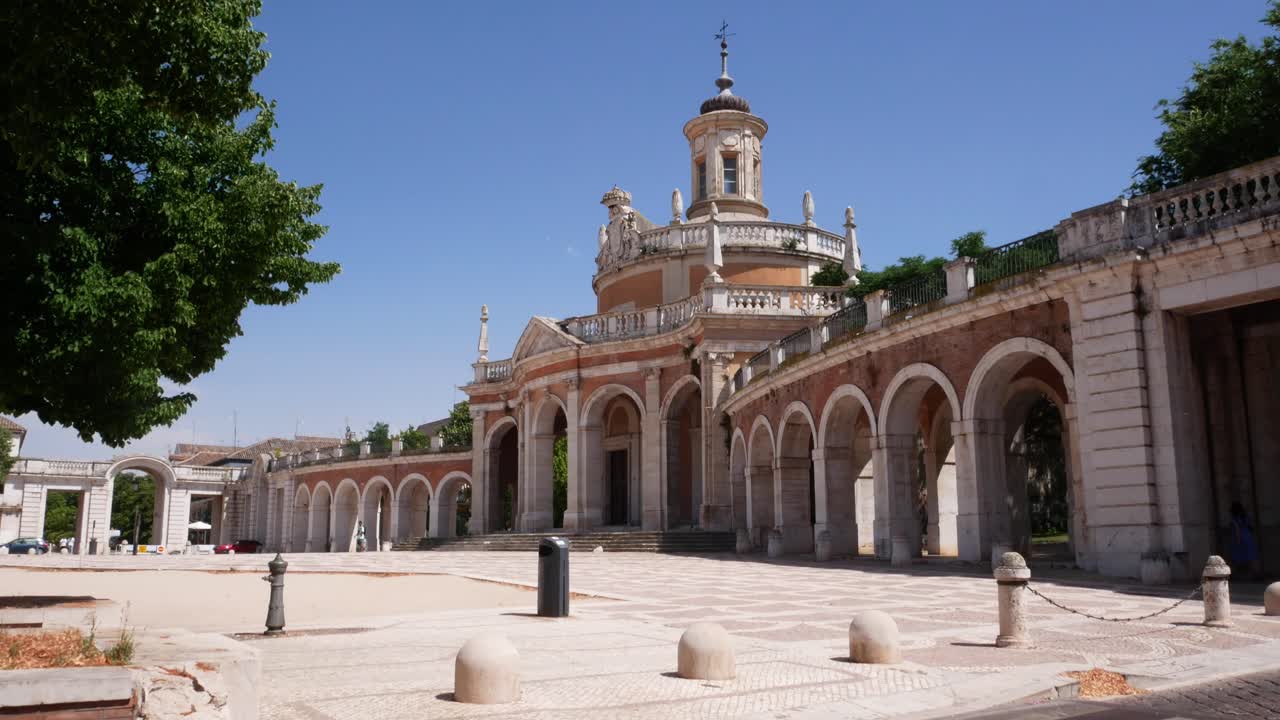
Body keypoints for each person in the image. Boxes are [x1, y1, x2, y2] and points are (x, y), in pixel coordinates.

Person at [1229, 502, 1260, 580]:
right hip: (1248, 538)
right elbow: (1251, 528)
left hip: (1240, 539)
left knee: (1236, 558)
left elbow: (1237, 530)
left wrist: (1238, 541)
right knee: (1251, 557)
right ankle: (1256, 574)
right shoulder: (1245, 518)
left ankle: (1234, 575)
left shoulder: (1235, 520)